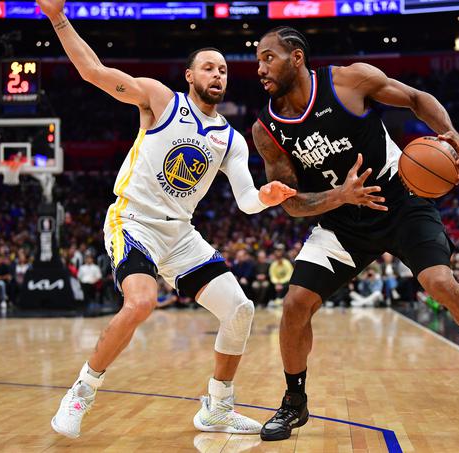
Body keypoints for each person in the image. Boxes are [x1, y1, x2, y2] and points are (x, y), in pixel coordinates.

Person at [251, 26, 459, 441]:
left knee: (441, 284)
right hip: (343, 220)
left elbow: (417, 100)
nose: (260, 67)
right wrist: (340, 196)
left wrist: (452, 136)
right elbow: (291, 202)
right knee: (296, 304)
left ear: (296, 58)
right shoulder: (267, 129)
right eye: (258, 59)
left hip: (401, 198)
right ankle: (294, 402)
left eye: (268, 57)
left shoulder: (350, 81)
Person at [37, 0, 296, 439]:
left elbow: (247, 202)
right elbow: (94, 73)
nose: (218, 75)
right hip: (132, 221)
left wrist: (267, 197)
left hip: (179, 234)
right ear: (190, 76)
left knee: (240, 309)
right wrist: (57, 18)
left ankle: (218, 407)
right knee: (140, 302)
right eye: (209, 68)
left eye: (224, 70)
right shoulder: (160, 100)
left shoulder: (230, 140)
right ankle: (81, 390)